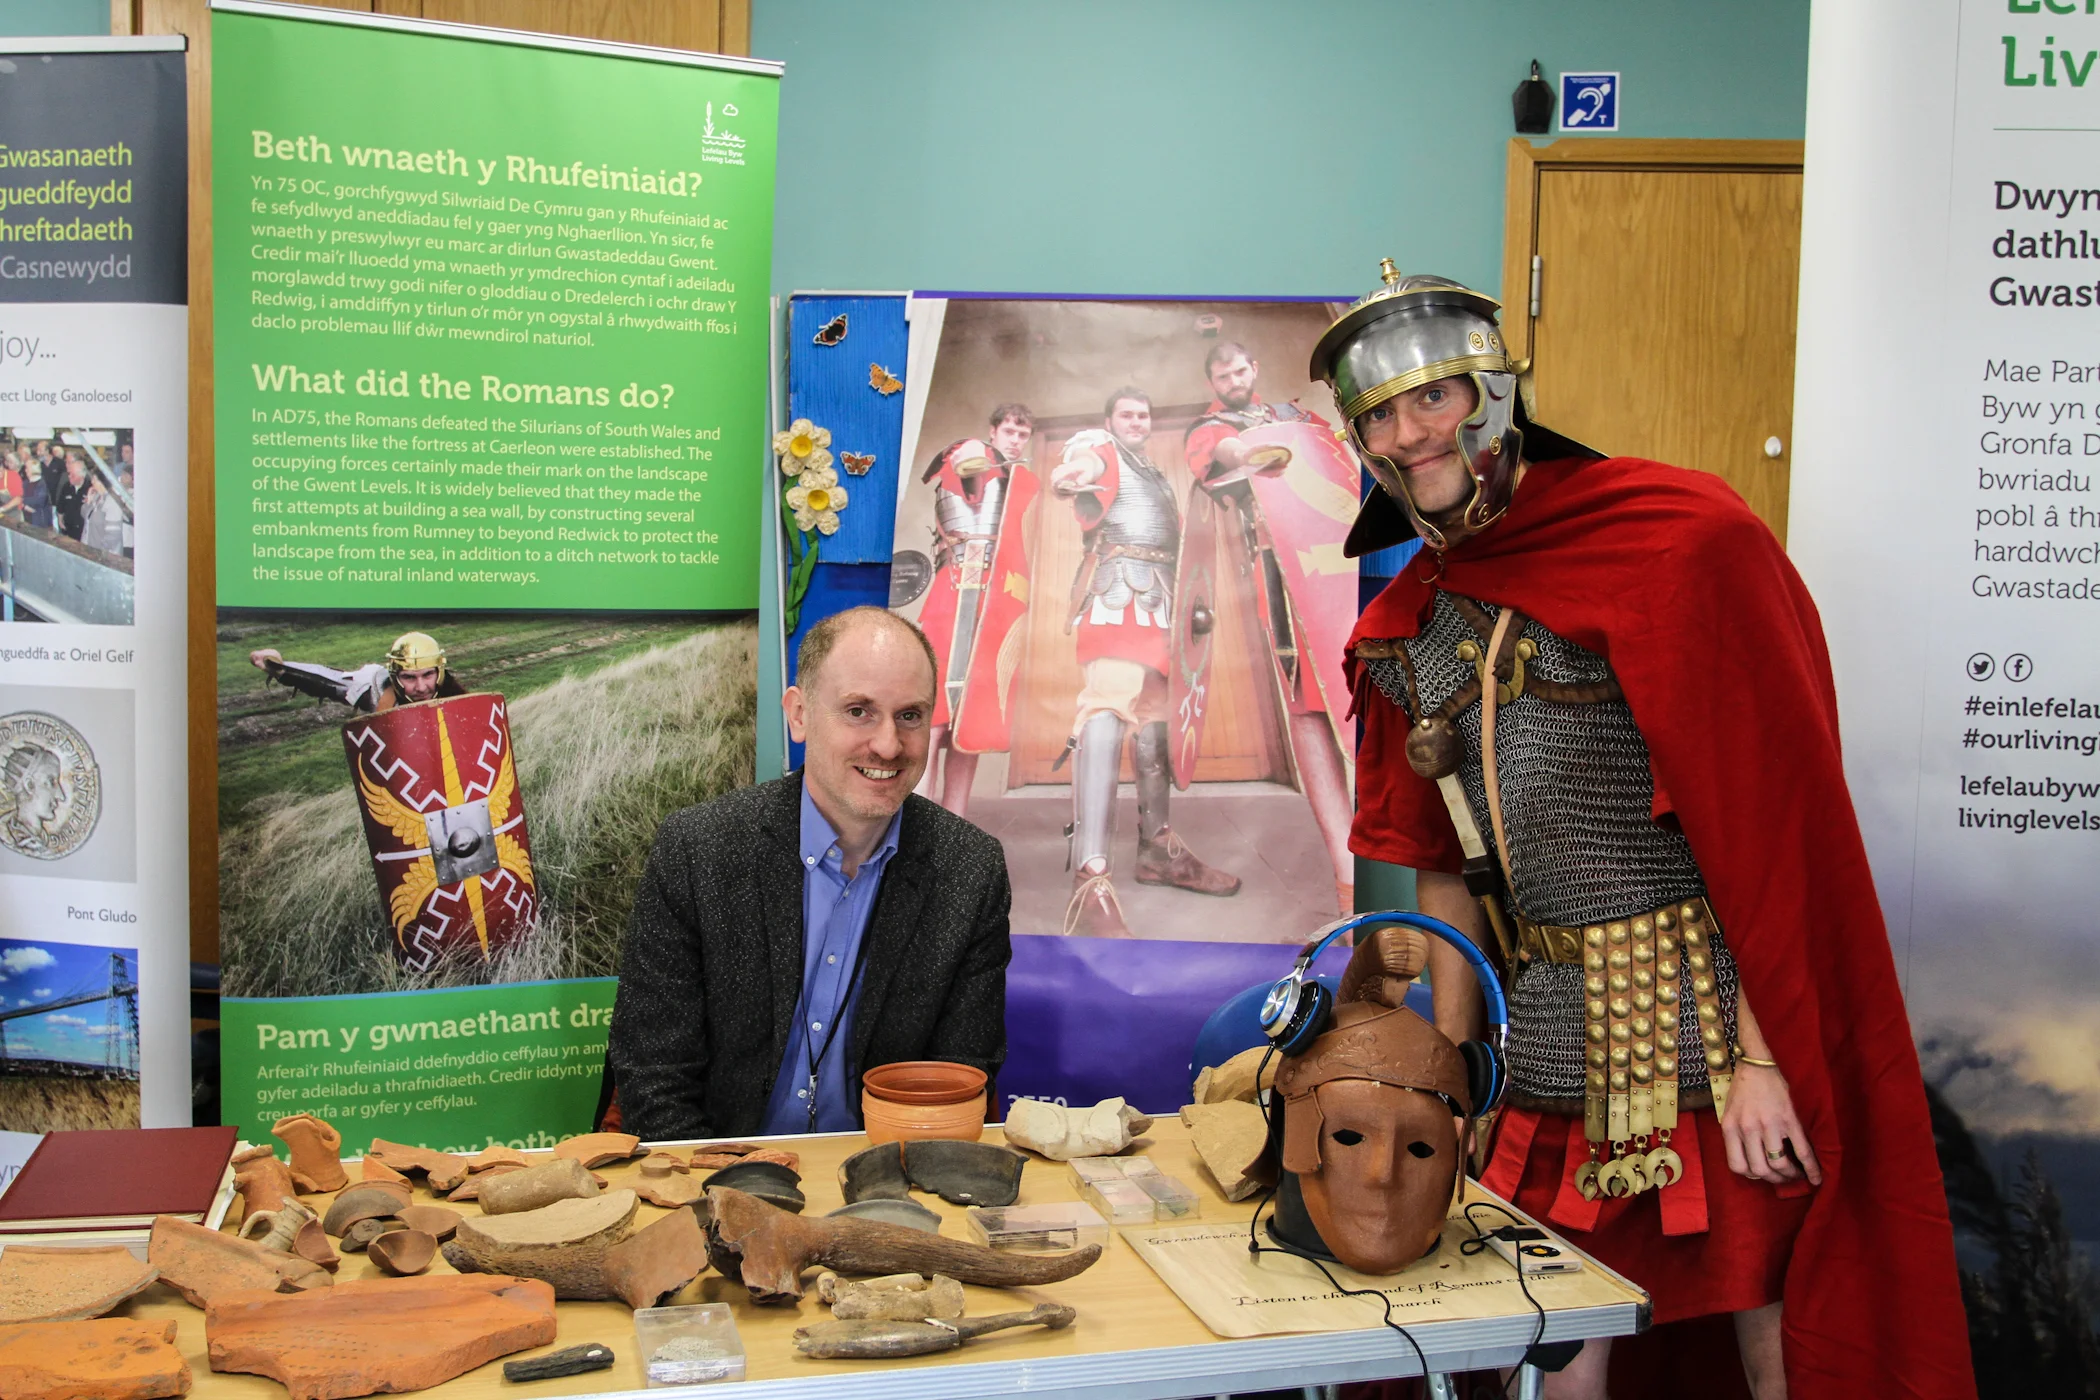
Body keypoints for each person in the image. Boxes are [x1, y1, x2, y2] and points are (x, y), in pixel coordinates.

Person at [1315, 266, 1972, 1399]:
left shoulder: (1672, 539)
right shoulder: (1414, 620)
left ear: (1492, 392)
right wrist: (1456, 1073)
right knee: (1557, 1341)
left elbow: (1766, 833)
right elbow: (1441, 870)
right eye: (1380, 413)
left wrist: (1765, 1060)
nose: (1409, 433)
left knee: (1773, 1327)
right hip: (1553, 1028)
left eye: (1434, 398)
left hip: (1707, 1029)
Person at [608, 606, 1012, 1139]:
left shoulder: (971, 871)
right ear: (798, 715)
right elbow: (654, 1078)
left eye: (910, 715)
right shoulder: (698, 850)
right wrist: (729, 1192)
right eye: (858, 711)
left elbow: (959, 1079)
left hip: (885, 1179)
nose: (889, 745)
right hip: (720, 1171)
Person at [1051, 386, 1242, 938]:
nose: (1137, 421)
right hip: (1117, 596)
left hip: (1161, 601)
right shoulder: (1100, 445)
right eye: (1127, 414)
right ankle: (1091, 876)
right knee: (1107, 713)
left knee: (1154, 728)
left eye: (1144, 414)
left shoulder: (1154, 472)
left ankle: (1157, 849)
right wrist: (1073, 475)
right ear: (1109, 419)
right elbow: (1079, 465)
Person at [1184, 341, 1358, 913]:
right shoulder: (1211, 427)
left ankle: (1393, 860)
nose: (1233, 378)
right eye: (1222, 373)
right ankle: (1347, 874)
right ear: (1212, 380)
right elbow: (1224, 455)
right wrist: (1249, 452)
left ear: (1254, 367)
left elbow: (1341, 463)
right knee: (1308, 709)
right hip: (1281, 575)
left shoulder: (1297, 418)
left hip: (1342, 572)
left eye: (1240, 368)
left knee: (1369, 698)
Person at [913, 401, 1034, 817]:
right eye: (1010, 432)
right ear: (993, 430)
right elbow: (965, 463)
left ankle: (954, 828)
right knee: (934, 718)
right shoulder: (970, 453)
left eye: (1023, 434)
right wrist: (978, 454)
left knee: (972, 725)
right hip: (952, 596)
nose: (1016, 440)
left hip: (991, 605)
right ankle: (920, 822)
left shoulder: (1016, 478)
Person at [247, 630, 465, 711]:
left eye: (428, 675)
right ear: (395, 676)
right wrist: (280, 668)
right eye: (409, 677)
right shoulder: (378, 692)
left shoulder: (461, 700)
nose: (420, 687)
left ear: (439, 671)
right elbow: (326, 681)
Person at [50, 454, 88, 541]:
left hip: (83, 531)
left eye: (73, 475)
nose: (69, 476)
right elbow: (61, 506)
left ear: (81, 476)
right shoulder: (66, 487)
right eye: (69, 474)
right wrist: (60, 520)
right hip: (68, 529)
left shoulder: (89, 488)